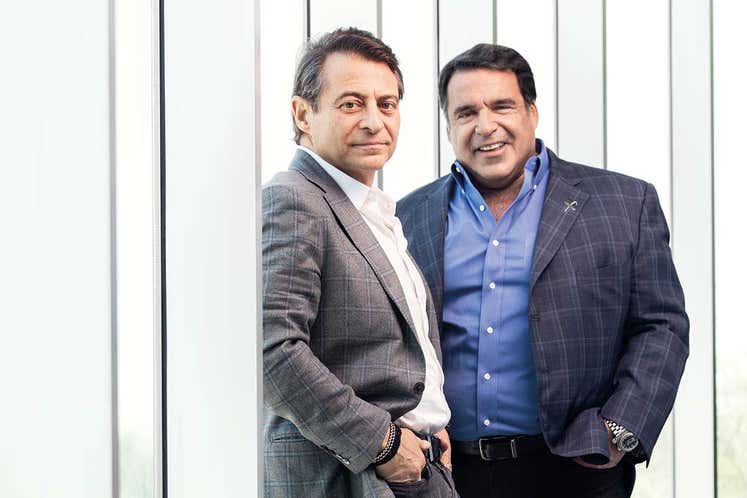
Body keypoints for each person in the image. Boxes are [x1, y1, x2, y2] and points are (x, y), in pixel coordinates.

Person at [396, 43, 689, 498]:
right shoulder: (408, 216)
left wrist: (621, 427)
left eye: (502, 106)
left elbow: (662, 325)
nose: (485, 126)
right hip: (448, 474)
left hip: (576, 470)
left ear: (532, 112)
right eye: (466, 113)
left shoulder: (623, 204)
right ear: (449, 127)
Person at [263, 28, 457, 498]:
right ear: (303, 114)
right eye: (351, 104)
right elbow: (272, 352)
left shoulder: (373, 212)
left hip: (416, 470)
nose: (374, 121)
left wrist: (432, 423)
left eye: (386, 104)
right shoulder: (294, 199)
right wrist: (384, 443)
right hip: (350, 476)